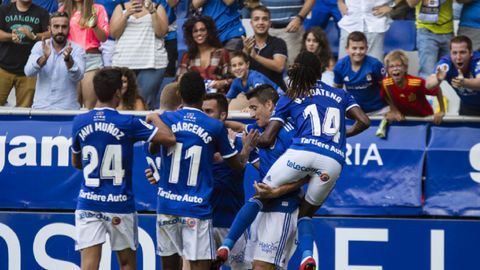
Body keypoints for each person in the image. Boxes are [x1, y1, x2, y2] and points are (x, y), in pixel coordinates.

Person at [216, 51, 370, 270]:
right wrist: (338, 136)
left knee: (261, 192)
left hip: (303, 152)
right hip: (333, 160)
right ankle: (308, 256)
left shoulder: (291, 95)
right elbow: (364, 121)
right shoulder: (339, 94)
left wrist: (250, 143)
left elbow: (268, 137)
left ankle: (227, 245)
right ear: (319, 71)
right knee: (306, 213)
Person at [70, 68, 176, 270]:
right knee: (127, 264)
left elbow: (76, 163)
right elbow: (169, 138)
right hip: (119, 204)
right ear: (118, 92)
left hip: (89, 202)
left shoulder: (79, 122)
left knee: (89, 265)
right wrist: (154, 117)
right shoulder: (127, 123)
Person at [154, 71, 255, 270]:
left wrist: (153, 118)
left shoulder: (166, 120)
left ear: (180, 97)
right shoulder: (213, 128)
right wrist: (244, 150)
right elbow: (238, 165)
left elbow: (152, 149)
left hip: (167, 206)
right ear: (202, 96)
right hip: (196, 209)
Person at [223, 84, 304, 270]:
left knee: (262, 267)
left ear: (269, 105)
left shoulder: (291, 133)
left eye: (254, 108)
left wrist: (277, 192)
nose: (251, 114)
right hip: (262, 208)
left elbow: (306, 175)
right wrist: (247, 150)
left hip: (283, 208)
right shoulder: (255, 131)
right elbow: (264, 168)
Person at [110, 0, 169, 110]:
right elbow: (114, 33)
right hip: (123, 64)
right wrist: (126, 15)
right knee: (122, 102)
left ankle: (144, 126)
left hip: (152, 64)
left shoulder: (157, 7)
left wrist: (153, 12)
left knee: (144, 103)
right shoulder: (120, 7)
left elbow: (161, 32)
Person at [24, 11, 85, 110]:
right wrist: (44, 58)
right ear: (49, 29)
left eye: (64, 27)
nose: (60, 30)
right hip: (41, 108)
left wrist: (68, 60)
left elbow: (78, 77)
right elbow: (28, 72)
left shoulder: (77, 49)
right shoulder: (40, 46)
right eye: (56, 26)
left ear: (69, 28)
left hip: (67, 109)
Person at [0, 0, 49, 107]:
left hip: (29, 71)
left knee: (24, 112)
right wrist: (10, 36)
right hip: (3, 68)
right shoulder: (4, 9)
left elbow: (50, 33)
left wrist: (34, 36)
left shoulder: (42, 12)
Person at [61, 0, 109, 109]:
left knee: (90, 107)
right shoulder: (64, 9)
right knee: (71, 105)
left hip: (92, 58)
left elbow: (104, 38)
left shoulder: (98, 9)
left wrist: (95, 26)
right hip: (71, 59)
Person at [381, 50, 445, 124]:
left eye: (398, 65)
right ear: (387, 70)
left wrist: (442, 111)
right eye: (391, 66)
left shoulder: (416, 83)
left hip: (425, 119)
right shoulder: (386, 83)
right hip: (406, 120)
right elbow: (385, 96)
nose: (395, 69)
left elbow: (437, 90)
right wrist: (394, 110)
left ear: (405, 68)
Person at [333, 31, 388, 114]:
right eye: (354, 48)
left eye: (361, 48)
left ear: (367, 48)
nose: (358, 52)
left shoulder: (375, 65)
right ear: (347, 49)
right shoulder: (340, 66)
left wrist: (394, 109)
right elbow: (337, 90)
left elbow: (386, 87)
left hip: (378, 109)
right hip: (354, 111)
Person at [426, 35, 480, 116]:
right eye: (454, 53)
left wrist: (465, 82)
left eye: (462, 52)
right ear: (450, 53)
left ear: (471, 53)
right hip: (468, 107)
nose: (458, 57)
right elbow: (428, 85)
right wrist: (438, 78)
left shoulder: (477, 60)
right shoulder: (446, 63)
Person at [176, 16, 232, 94]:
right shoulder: (187, 56)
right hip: (194, 99)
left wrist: (223, 83)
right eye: (195, 31)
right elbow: (179, 80)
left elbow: (232, 79)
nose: (199, 33)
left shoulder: (222, 53)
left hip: (218, 98)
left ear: (209, 32)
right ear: (191, 35)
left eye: (202, 30)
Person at [242, 6, 288, 92]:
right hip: (251, 93)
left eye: (264, 19)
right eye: (256, 19)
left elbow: (279, 66)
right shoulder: (245, 44)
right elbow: (239, 71)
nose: (261, 22)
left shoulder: (278, 42)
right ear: (251, 23)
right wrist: (245, 52)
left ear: (270, 23)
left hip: (275, 92)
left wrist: (255, 56)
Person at [406, 0, 453, 79]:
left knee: (449, 73)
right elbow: (411, 3)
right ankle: (427, 91)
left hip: (448, 30)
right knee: (427, 73)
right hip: (426, 31)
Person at [260, 0, 315, 66]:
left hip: (292, 29)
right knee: (266, 69)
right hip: (267, 29)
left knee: (294, 68)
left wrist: (299, 18)